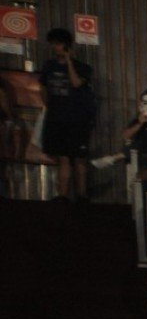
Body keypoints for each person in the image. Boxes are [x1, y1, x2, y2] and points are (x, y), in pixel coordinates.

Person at [39, 27, 97, 202]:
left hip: (77, 119)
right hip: (57, 118)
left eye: (59, 44)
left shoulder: (83, 67)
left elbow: (76, 83)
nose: (56, 48)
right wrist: (47, 104)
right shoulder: (49, 66)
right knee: (62, 157)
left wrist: (69, 61)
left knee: (79, 158)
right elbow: (42, 86)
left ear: (67, 45)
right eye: (54, 44)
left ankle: (81, 195)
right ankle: (62, 195)